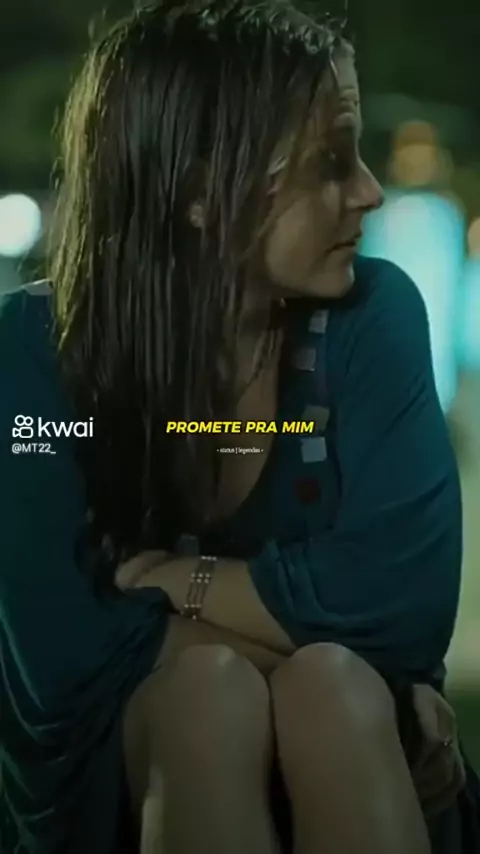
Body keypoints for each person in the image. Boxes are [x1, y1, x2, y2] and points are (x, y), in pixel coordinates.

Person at [0, 1, 479, 852]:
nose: (368, 192)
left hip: (350, 740)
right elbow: (64, 657)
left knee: (332, 692)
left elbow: (402, 605)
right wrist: (377, 683)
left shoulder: (371, 320)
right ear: (199, 195)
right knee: (216, 698)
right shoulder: (35, 356)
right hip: (117, 778)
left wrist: (176, 580)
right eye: (330, 161)